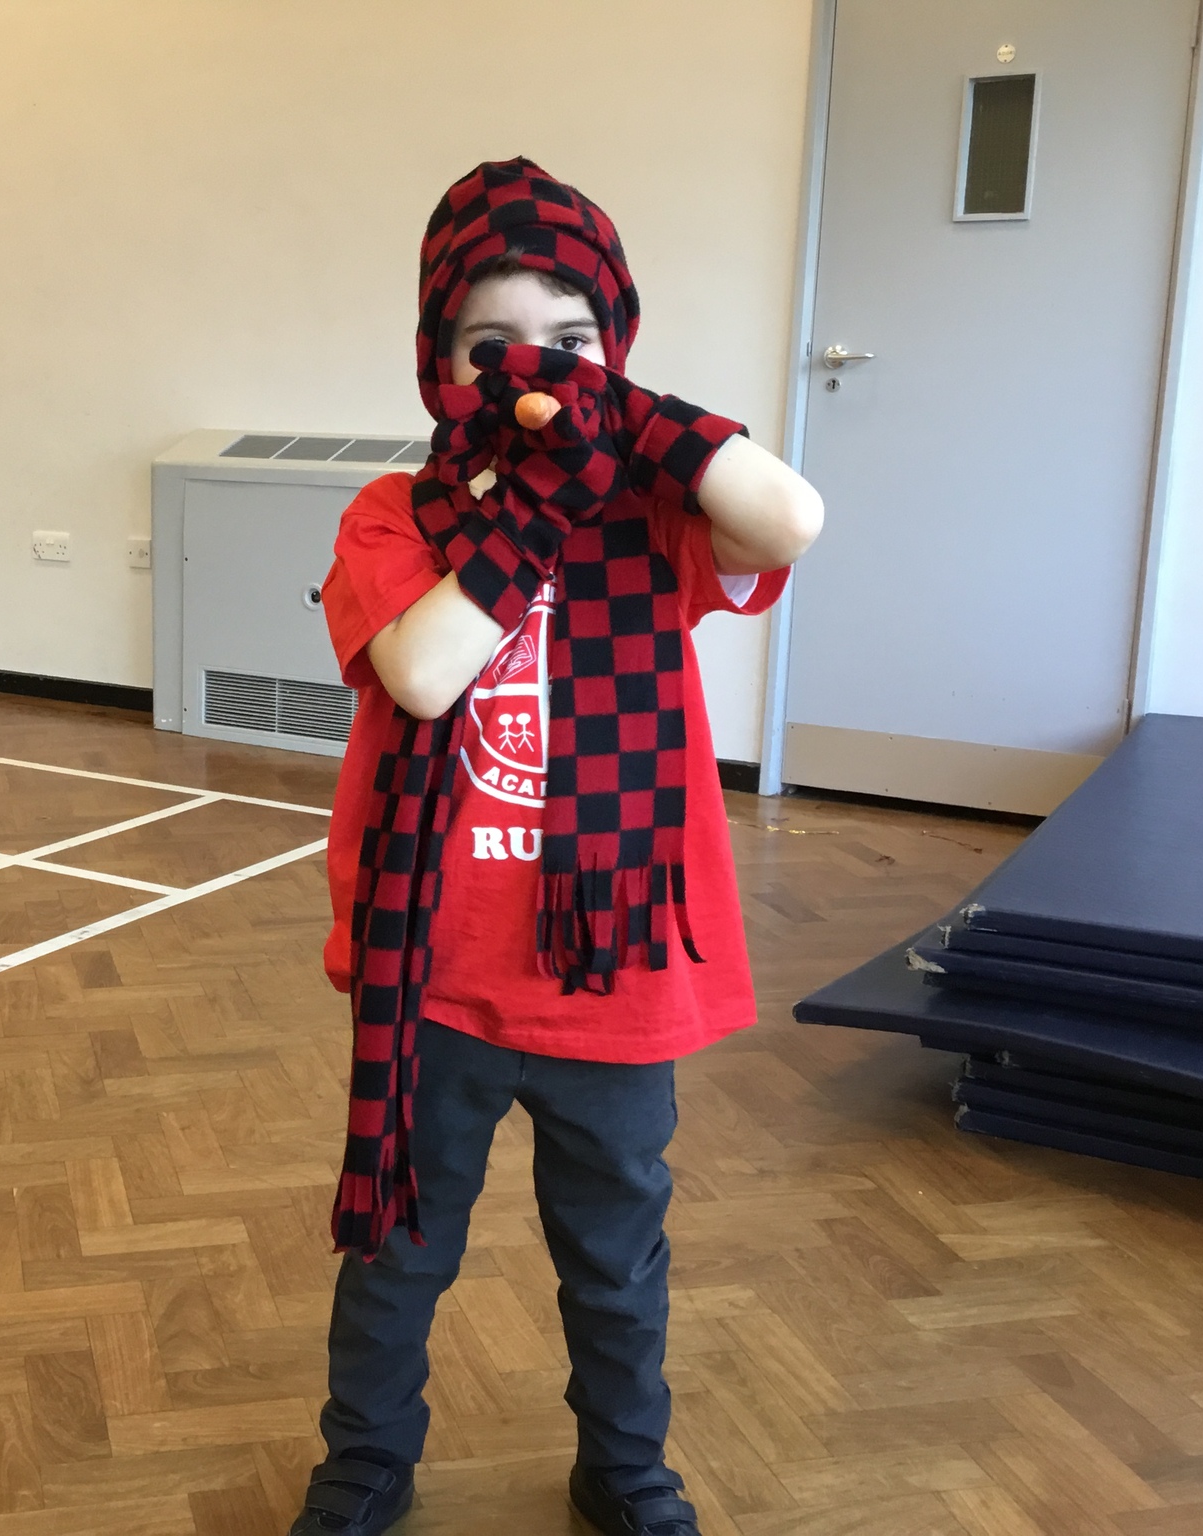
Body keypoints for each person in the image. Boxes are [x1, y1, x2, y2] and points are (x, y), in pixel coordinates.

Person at [289, 158, 823, 1536]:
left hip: (613, 979)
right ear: (439, 362)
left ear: (617, 349)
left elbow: (793, 517)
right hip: (440, 976)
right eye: (494, 346)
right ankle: (363, 1467)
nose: (534, 372)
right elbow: (423, 674)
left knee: (615, 1255)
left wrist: (623, 427)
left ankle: (625, 1469)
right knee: (399, 1251)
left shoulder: (654, 514)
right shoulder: (392, 517)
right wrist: (538, 500)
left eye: (571, 340)